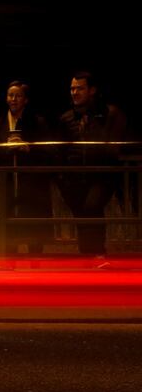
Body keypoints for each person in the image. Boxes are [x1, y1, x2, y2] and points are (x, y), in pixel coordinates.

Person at [57, 71, 127, 257]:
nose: (74, 92)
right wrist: (63, 179)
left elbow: (113, 146)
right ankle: (87, 256)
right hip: (74, 177)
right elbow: (61, 150)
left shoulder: (110, 113)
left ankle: (97, 253)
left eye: (79, 88)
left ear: (92, 90)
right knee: (82, 214)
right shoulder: (66, 118)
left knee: (92, 208)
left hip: (101, 175)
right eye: (72, 88)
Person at [0, 80, 52, 254]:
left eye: (18, 95)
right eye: (10, 95)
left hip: (32, 191)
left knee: (34, 241)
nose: (13, 99)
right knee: (8, 242)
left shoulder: (38, 123)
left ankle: (36, 277)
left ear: (26, 100)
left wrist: (28, 149)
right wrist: (6, 150)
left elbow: (49, 153)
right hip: (6, 190)